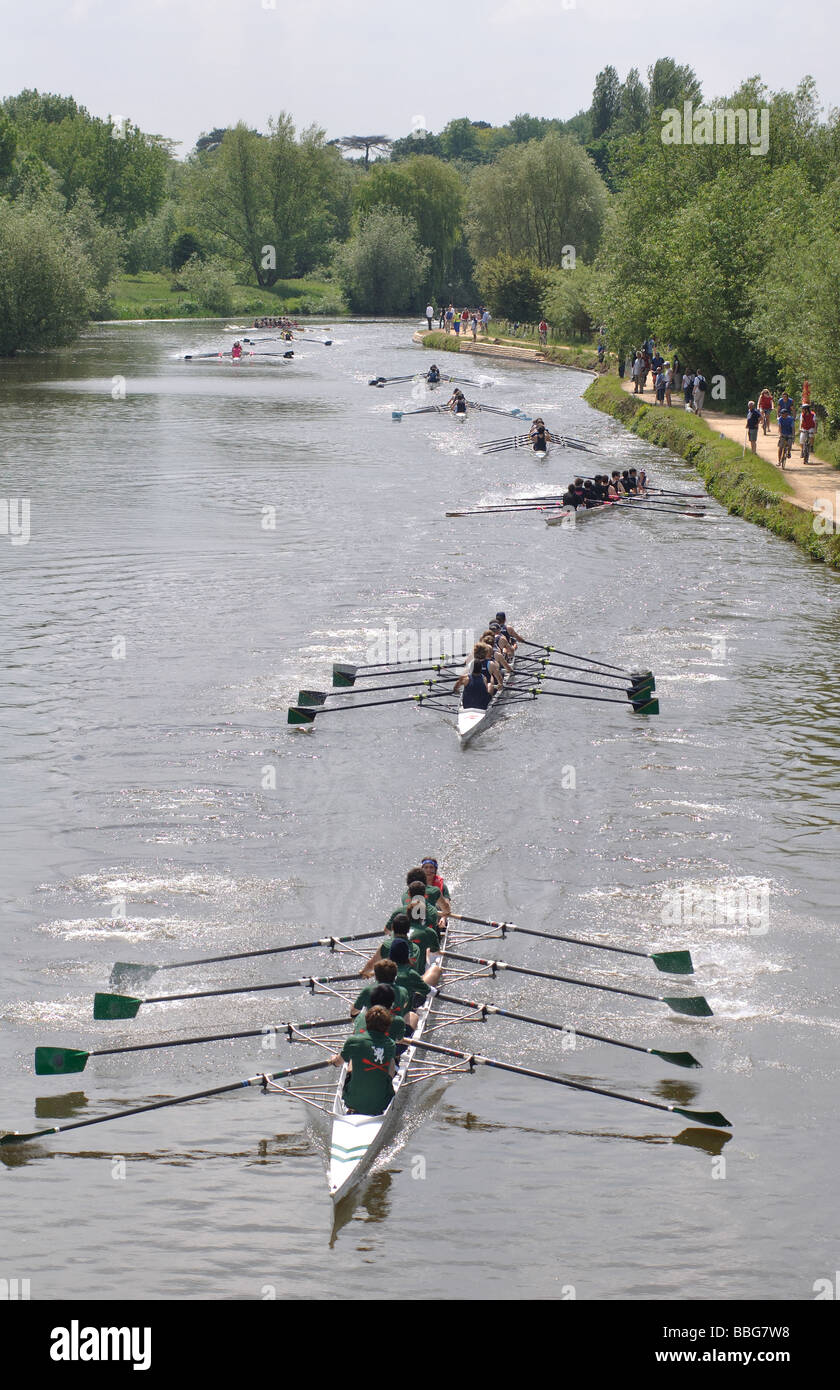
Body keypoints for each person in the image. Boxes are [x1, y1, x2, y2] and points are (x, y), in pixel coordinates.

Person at [333, 1005, 397, 1115]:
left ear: (366, 1022)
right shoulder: (391, 1044)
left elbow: (338, 1063)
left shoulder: (354, 1040)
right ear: (387, 1026)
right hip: (382, 1103)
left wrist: (334, 1059)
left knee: (353, 1057)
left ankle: (354, 1105)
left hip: (352, 1100)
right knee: (391, 1062)